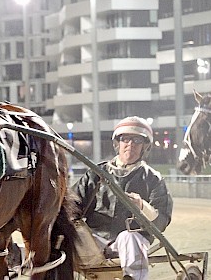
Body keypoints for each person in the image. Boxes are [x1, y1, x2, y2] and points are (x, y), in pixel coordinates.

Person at [72, 116, 173, 280]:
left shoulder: (153, 179)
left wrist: (142, 206)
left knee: (128, 236)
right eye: (125, 139)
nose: (130, 144)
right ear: (117, 143)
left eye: (136, 140)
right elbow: (73, 203)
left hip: (130, 243)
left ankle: (133, 277)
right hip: (95, 240)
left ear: (145, 147)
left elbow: (161, 221)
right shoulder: (96, 173)